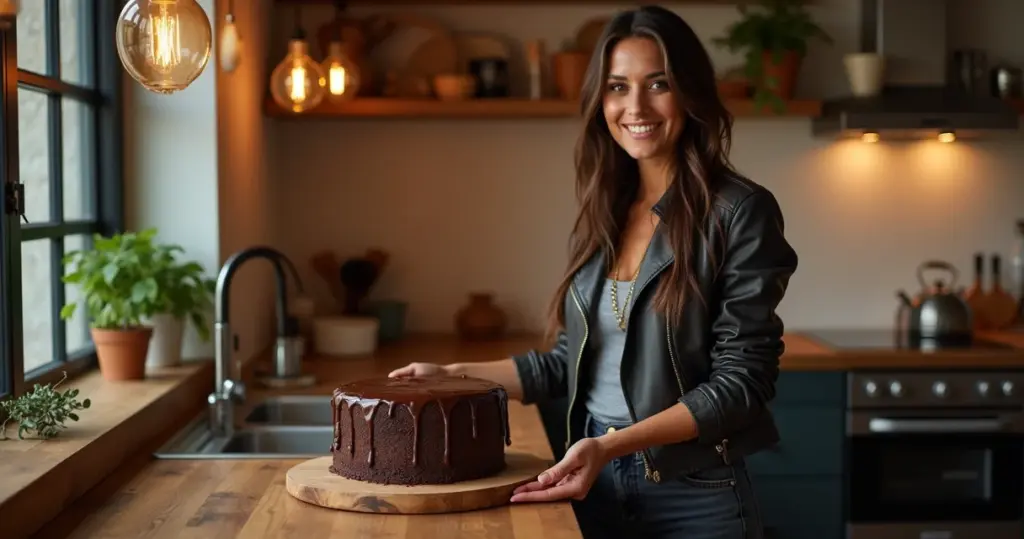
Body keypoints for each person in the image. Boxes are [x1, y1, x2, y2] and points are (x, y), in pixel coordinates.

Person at [389, 5, 798, 539]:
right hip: (596, 484)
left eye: (658, 83)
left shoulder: (740, 211)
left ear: (690, 91)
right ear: (599, 100)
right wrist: (451, 377)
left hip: (695, 492)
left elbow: (742, 383)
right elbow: (567, 363)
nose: (635, 106)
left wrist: (612, 445)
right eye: (617, 87)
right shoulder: (606, 209)